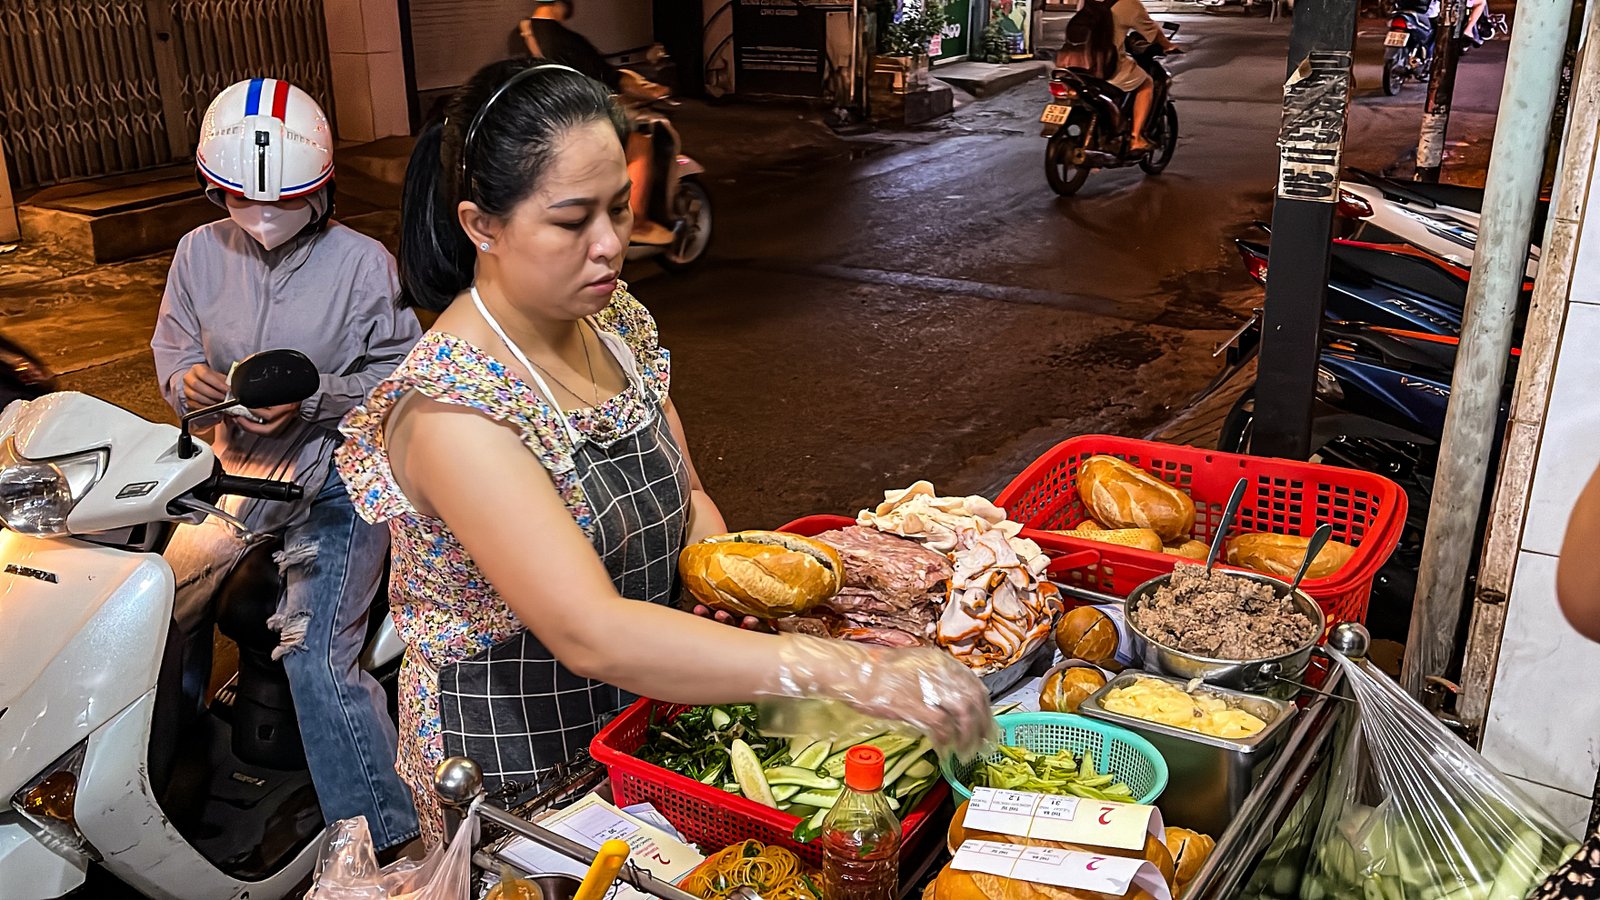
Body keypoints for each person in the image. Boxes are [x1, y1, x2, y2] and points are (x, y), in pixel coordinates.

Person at [336, 59, 993, 845]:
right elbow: (592, 634)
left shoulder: (616, 329)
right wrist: (848, 673)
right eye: (573, 220)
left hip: (642, 715)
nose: (612, 244)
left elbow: (687, 496)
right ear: (483, 226)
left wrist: (722, 574)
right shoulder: (455, 407)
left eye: (620, 206)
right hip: (512, 763)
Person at [151, 78, 423, 855]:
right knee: (161, 609)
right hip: (231, 468)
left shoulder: (368, 265)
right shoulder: (197, 254)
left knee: (314, 653)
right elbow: (173, 350)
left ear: (322, 191)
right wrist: (188, 383)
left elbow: (404, 378)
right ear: (214, 189)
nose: (264, 215)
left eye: (286, 200)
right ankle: (167, 770)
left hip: (339, 474)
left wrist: (314, 399)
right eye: (242, 198)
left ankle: (387, 839)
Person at [516, 0, 675, 246]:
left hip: (547, 118)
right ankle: (638, 221)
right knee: (640, 139)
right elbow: (610, 78)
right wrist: (653, 91)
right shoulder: (567, 40)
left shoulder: (528, 32)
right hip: (579, 119)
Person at [1057, 1, 1157, 151]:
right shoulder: (1129, 4)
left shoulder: (1084, 2)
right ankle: (1136, 138)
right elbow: (1152, 33)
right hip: (1103, 66)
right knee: (1146, 82)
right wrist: (1168, 46)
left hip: (1074, 64)